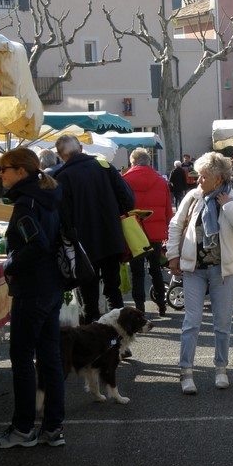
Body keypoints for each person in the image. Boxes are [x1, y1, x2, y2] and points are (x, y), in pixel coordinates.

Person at [0, 148, 65, 448]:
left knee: (21, 358)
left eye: (4, 169)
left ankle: (22, 429)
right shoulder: (48, 196)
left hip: (33, 290)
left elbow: (37, 244)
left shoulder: (25, 204)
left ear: (21, 171)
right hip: (52, 286)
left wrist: (8, 265)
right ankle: (53, 428)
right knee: (49, 358)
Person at [166, 151, 233, 394]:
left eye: (204, 176)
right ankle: (186, 372)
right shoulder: (193, 197)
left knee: (222, 323)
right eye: (199, 175)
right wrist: (173, 255)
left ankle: (221, 369)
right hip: (194, 269)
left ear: (218, 178)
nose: (198, 180)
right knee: (191, 322)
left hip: (223, 270)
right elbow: (175, 225)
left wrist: (228, 207)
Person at [55, 135, 135, 325]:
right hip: (111, 237)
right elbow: (129, 201)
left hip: (83, 245)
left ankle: (93, 346)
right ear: (81, 148)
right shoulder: (104, 167)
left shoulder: (62, 177)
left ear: (60, 155)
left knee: (89, 298)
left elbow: (62, 217)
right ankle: (118, 341)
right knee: (112, 291)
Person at [123, 148, 172, 317]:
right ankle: (161, 304)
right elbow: (167, 208)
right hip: (155, 232)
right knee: (156, 268)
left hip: (134, 231)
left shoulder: (125, 180)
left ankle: (139, 308)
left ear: (133, 162)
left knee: (137, 271)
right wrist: (166, 230)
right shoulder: (160, 180)